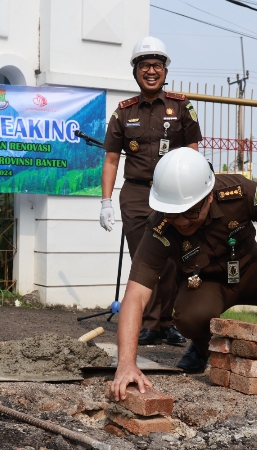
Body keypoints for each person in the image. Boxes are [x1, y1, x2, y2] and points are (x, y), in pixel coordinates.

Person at [111, 147, 257, 397]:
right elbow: (135, 296)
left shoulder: (238, 192)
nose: (182, 221)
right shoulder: (159, 228)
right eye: (173, 214)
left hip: (251, 268)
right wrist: (126, 364)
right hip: (204, 282)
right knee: (190, 317)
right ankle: (204, 347)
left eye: (191, 211)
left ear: (208, 197)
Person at [101, 36, 202, 351]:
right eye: (145, 65)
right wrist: (105, 201)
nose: (151, 71)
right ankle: (149, 324)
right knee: (143, 259)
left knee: (172, 261)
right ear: (136, 71)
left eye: (157, 65)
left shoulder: (181, 106)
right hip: (135, 195)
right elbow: (112, 159)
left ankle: (165, 324)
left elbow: (194, 151)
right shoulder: (123, 112)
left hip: (172, 195)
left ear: (165, 70)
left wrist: (195, 193)